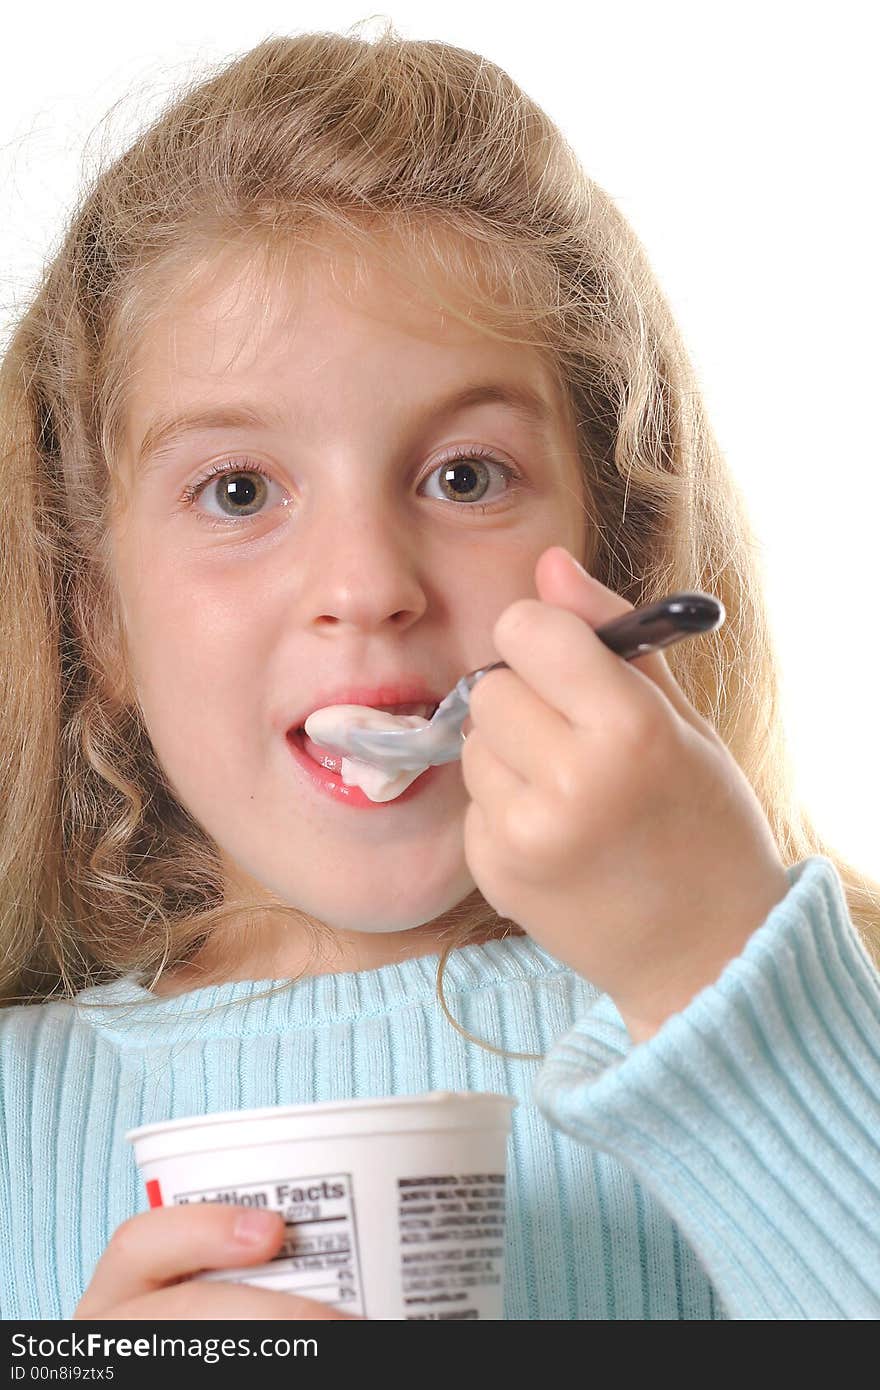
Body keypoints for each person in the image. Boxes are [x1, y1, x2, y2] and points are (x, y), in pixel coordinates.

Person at [1, 22, 879, 1323]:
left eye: (464, 476)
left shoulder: (808, 1009)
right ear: (105, 618)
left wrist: (714, 960)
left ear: (614, 554)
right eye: (238, 490)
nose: (367, 583)